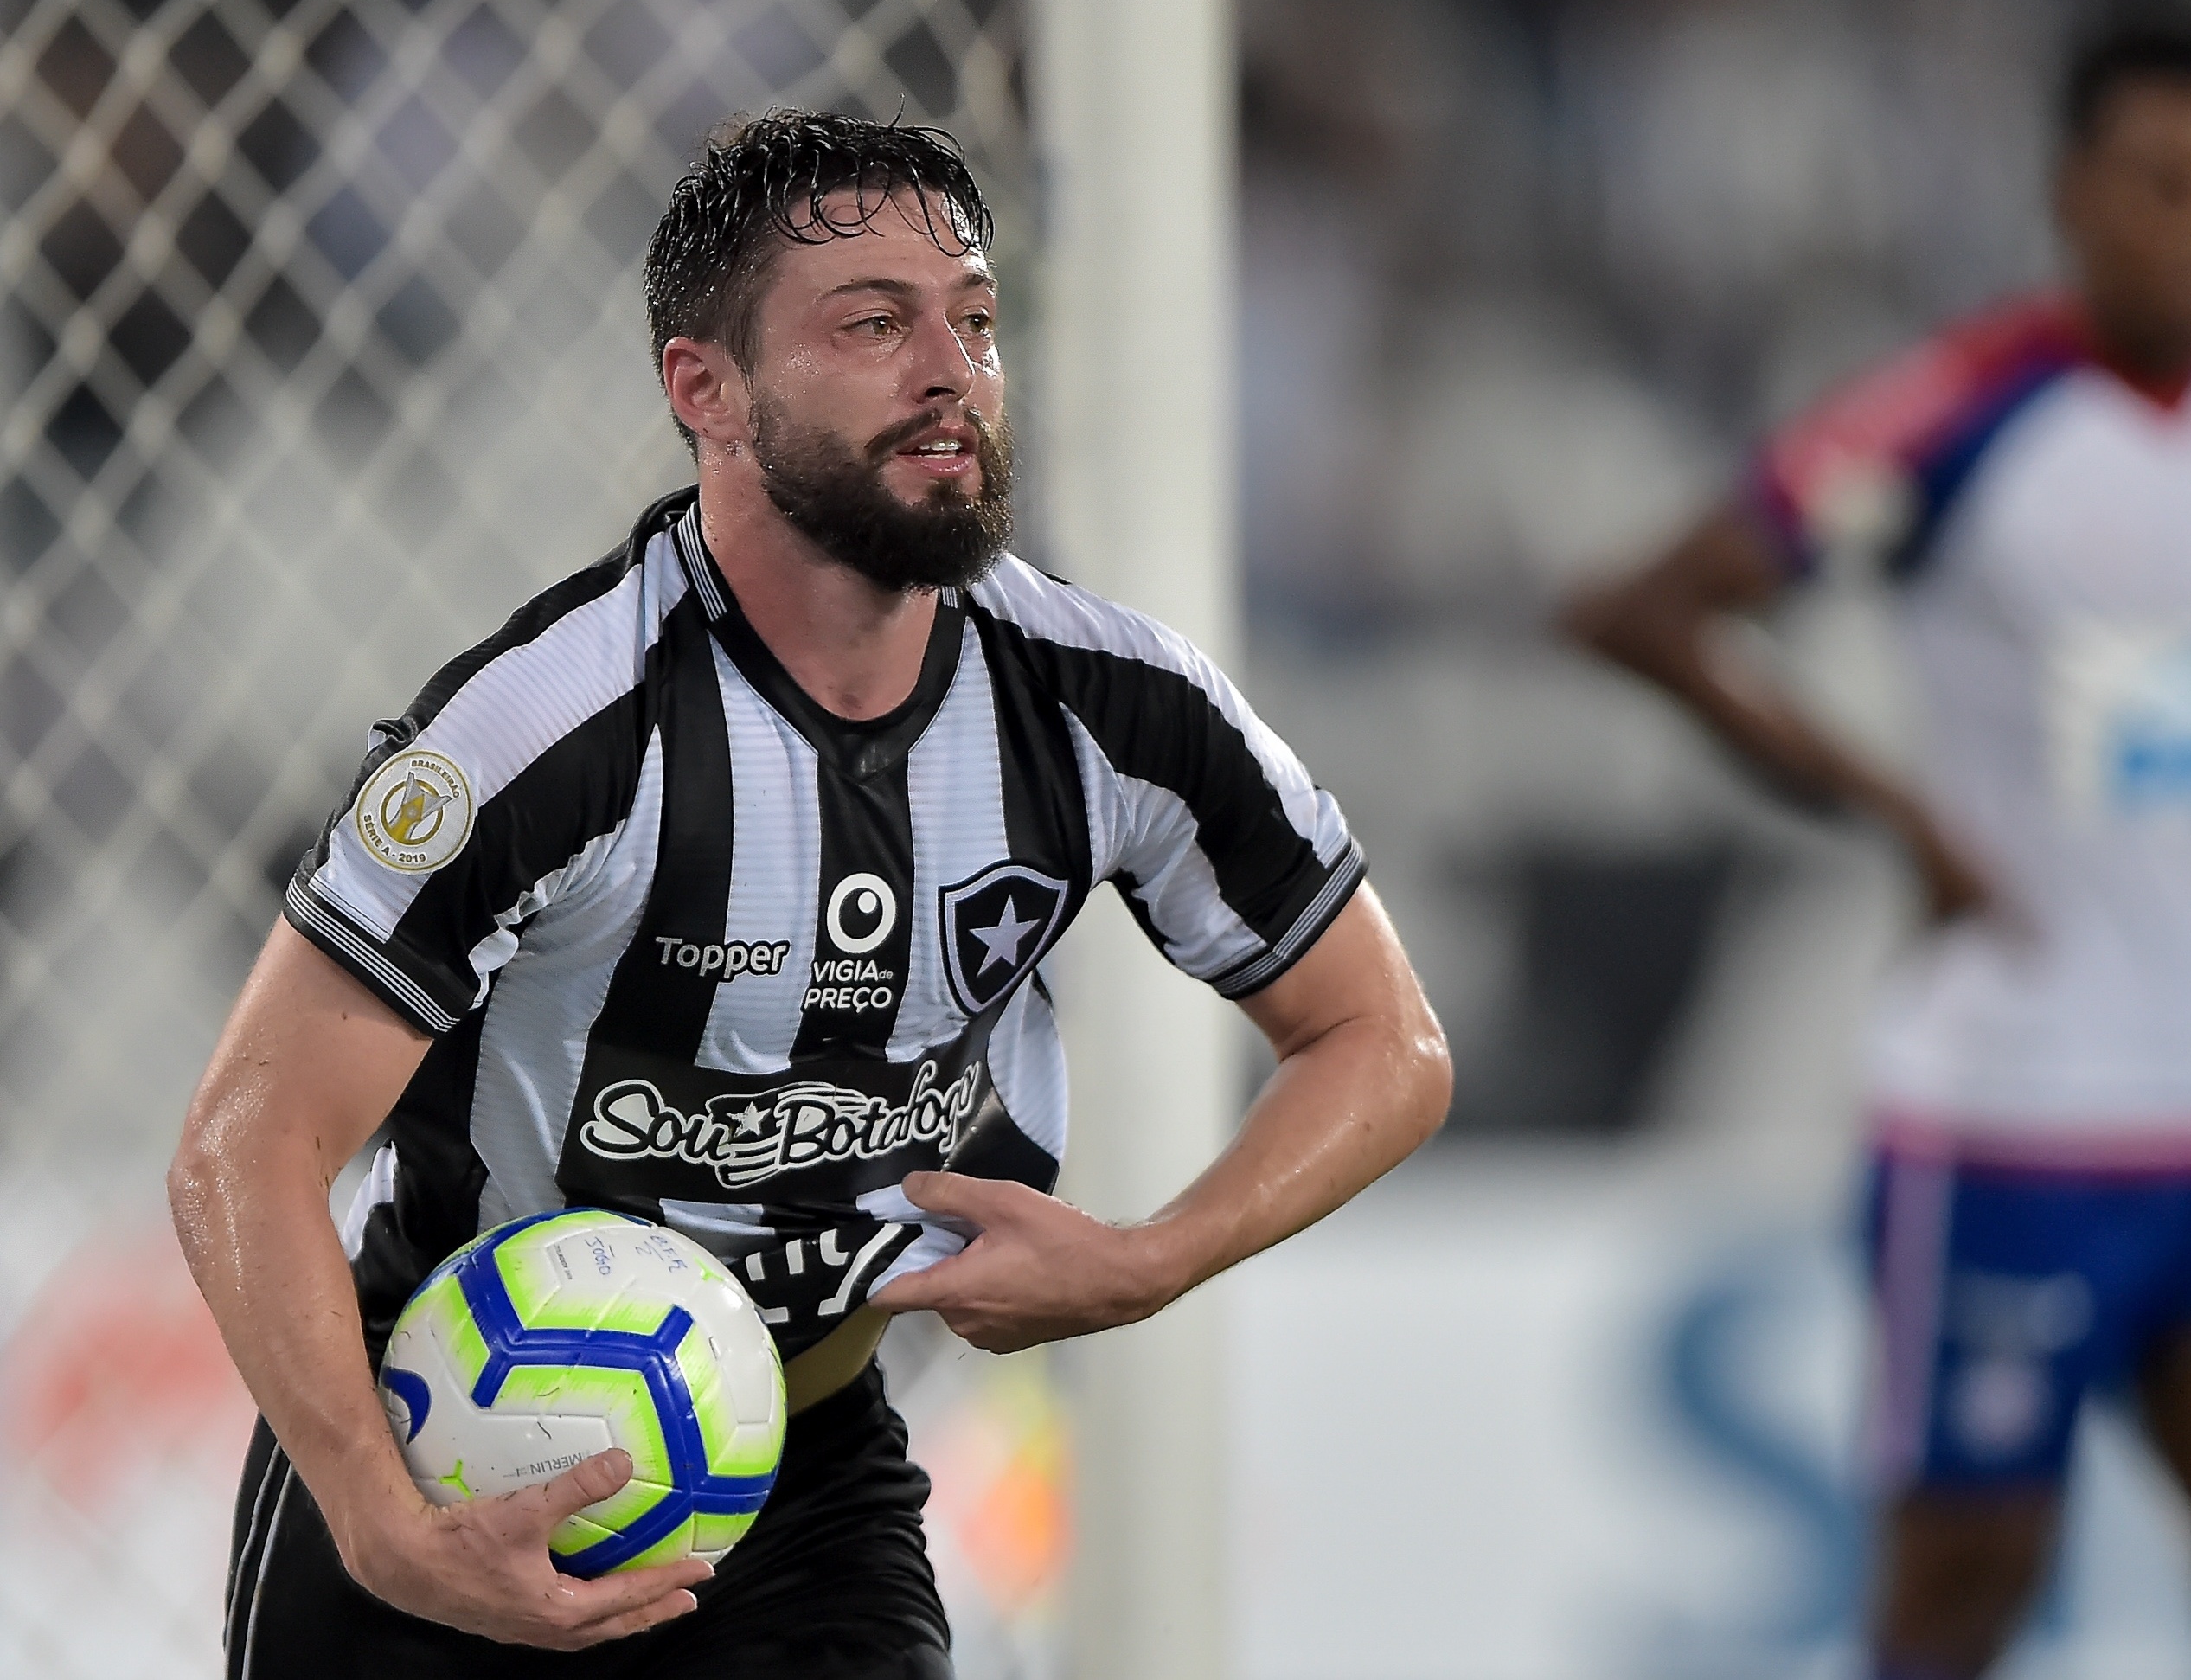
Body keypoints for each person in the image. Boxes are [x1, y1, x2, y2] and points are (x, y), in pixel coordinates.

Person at [169, 109, 1451, 1678]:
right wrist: (380, 1529)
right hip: (446, 1450)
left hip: (794, 1462)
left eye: (974, 321)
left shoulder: (1115, 705)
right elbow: (245, 1145)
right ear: (704, 390)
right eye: (872, 323)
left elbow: (1385, 1041)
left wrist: (1154, 1255)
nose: (951, 371)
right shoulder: (544, 731)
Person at [1566, 15, 2191, 1680]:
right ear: (2071, 191)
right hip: (2017, 1117)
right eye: (2162, 185)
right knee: (1963, 1598)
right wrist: (1904, 824)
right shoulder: (1963, 416)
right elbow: (1642, 612)